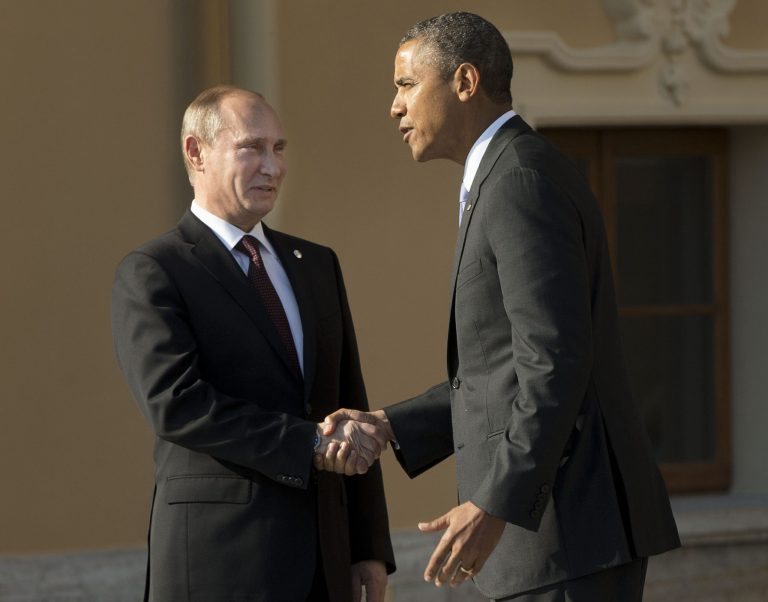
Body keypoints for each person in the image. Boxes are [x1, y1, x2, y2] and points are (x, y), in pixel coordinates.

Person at [318, 12, 680, 602]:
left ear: (464, 82)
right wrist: (390, 425)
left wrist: (494, 502)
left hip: (566, 544)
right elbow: (499, 369)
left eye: (406, 85)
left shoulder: (519, 181)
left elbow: (555, 361)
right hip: (551, 549)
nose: (394, 106)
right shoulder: (505, 174)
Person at [112, 85, 394, 602]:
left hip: (325, 567)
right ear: (196, 152)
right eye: (252, 148)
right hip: (221, 564)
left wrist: (368, 548)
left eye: (279, 149)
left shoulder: (317, 265)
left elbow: (346, 400)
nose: (273, 166)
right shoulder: (156, 271)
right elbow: (177, 405)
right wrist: (306, 443)